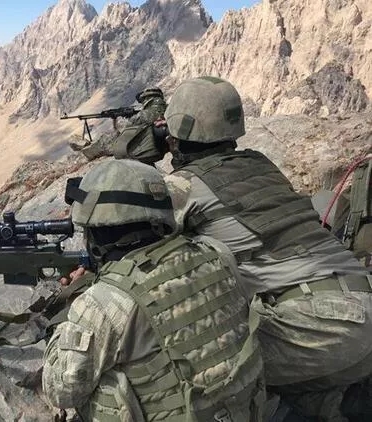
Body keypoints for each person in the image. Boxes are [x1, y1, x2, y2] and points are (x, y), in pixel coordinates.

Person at [159, 76, 372, 421]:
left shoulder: (182, 186)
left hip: (322, 328)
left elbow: (143, 245)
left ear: (174, 137)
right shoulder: (260, 163)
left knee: (187, 366)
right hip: (360, 306)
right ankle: (340, 403)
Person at [42, 159, 265, 421]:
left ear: (95, 230)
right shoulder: (215, 252)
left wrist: (75, 309)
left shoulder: (103, 303)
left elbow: (60, 391)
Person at [71, 87, 168, 163]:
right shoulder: (168, 109)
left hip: (142, 147)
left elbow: (126, 128)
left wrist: (121, 119)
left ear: (146, 99)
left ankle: (87, 152)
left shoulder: (145, 114)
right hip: (157, 146)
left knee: (106, 139)